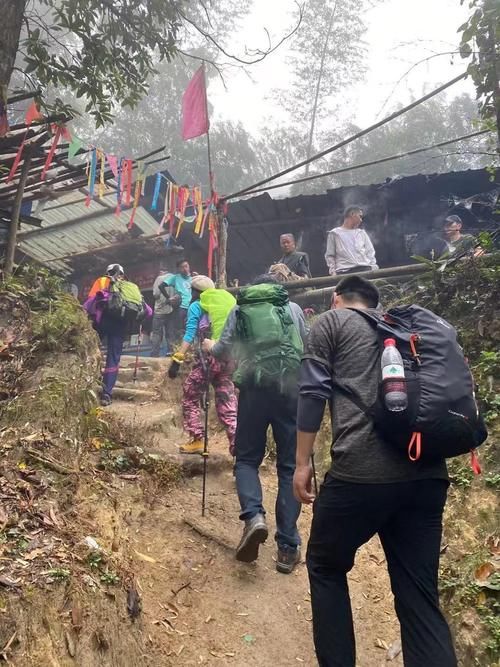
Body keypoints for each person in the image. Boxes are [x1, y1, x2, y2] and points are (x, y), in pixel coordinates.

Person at [293, 275, 456, 667]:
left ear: (337, 299)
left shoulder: (331, 323)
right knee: (419, 594)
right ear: (375, 304)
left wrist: (302, 463)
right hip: (428, 473)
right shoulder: (403, 329)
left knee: (326, 565)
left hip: (360, 474)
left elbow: (313, 393)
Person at [203, 274, 308, 574]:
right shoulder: (294, 309)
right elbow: (308, 345)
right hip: (291, 391)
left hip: (253, 390)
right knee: (289, 466)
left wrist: (210, 345)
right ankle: (287, 548)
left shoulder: (241, 308)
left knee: (247, 459)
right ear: (277, 289)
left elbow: (224, 349)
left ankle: (254, 517)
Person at [168, 275, 238, 455]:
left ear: (195, 292)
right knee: (226, 399)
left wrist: (178, 357)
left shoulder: (196, 306)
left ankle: (197, 439)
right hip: (229, 358)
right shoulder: (226, 303)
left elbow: (190, 333)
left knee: (190, 395)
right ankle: (237, 444)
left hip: (208, 359)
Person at [85, 264, 151, 406]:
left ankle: (87, 384)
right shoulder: (130, 287)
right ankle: (107, 394)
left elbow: (91, 300)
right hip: (120, 326)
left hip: (102, 321)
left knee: (91, 351)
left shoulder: (102, 281)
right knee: (113, 359)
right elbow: (148, 311)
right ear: (122, 273)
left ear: (107, 272)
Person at [325, 206, 378, 275]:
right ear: (352, 214)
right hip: (344, 271)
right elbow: (330, 255)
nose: (361, 220)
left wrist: (373, 267)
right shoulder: (334, 233)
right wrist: (333, 272)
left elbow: (370, 252)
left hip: (364, 269)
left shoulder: (361, 233)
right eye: (360, 216)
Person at [159, 258, 192, 337]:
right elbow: (161, 286)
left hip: (191, 307)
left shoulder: (193, 278)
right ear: (178, 269)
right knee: (179, 331)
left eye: (186, 266)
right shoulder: (175, 277)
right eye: (182, 267)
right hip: (180, 307)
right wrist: (168, 298)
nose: (185, 269)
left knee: (191, 330)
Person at [150, 268, 179, 357]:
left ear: (162, 271)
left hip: (159, 310)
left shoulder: (159, 278)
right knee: (170, 333)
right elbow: (178, 294)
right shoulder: (174, 279)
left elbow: (156, 294)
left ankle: (155, 354)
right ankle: (171, 352)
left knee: (157, 333)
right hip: (171, 310)